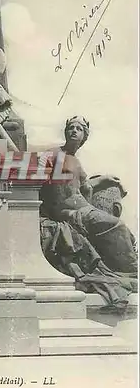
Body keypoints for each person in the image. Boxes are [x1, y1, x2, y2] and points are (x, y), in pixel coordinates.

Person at [40, 116, 138, 275]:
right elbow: (47, 186)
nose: (74, 131)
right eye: (71, 128)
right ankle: (130, 270)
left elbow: (85, 186)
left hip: (84, 209)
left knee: (121, 227)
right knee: (117, 225)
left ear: (84, 136)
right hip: (70, 213)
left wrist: (104, 178)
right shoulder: (54, 154)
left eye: (79, 129)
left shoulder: (76, 162)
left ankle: (127, 269)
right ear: (66, 132)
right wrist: (64, 213)